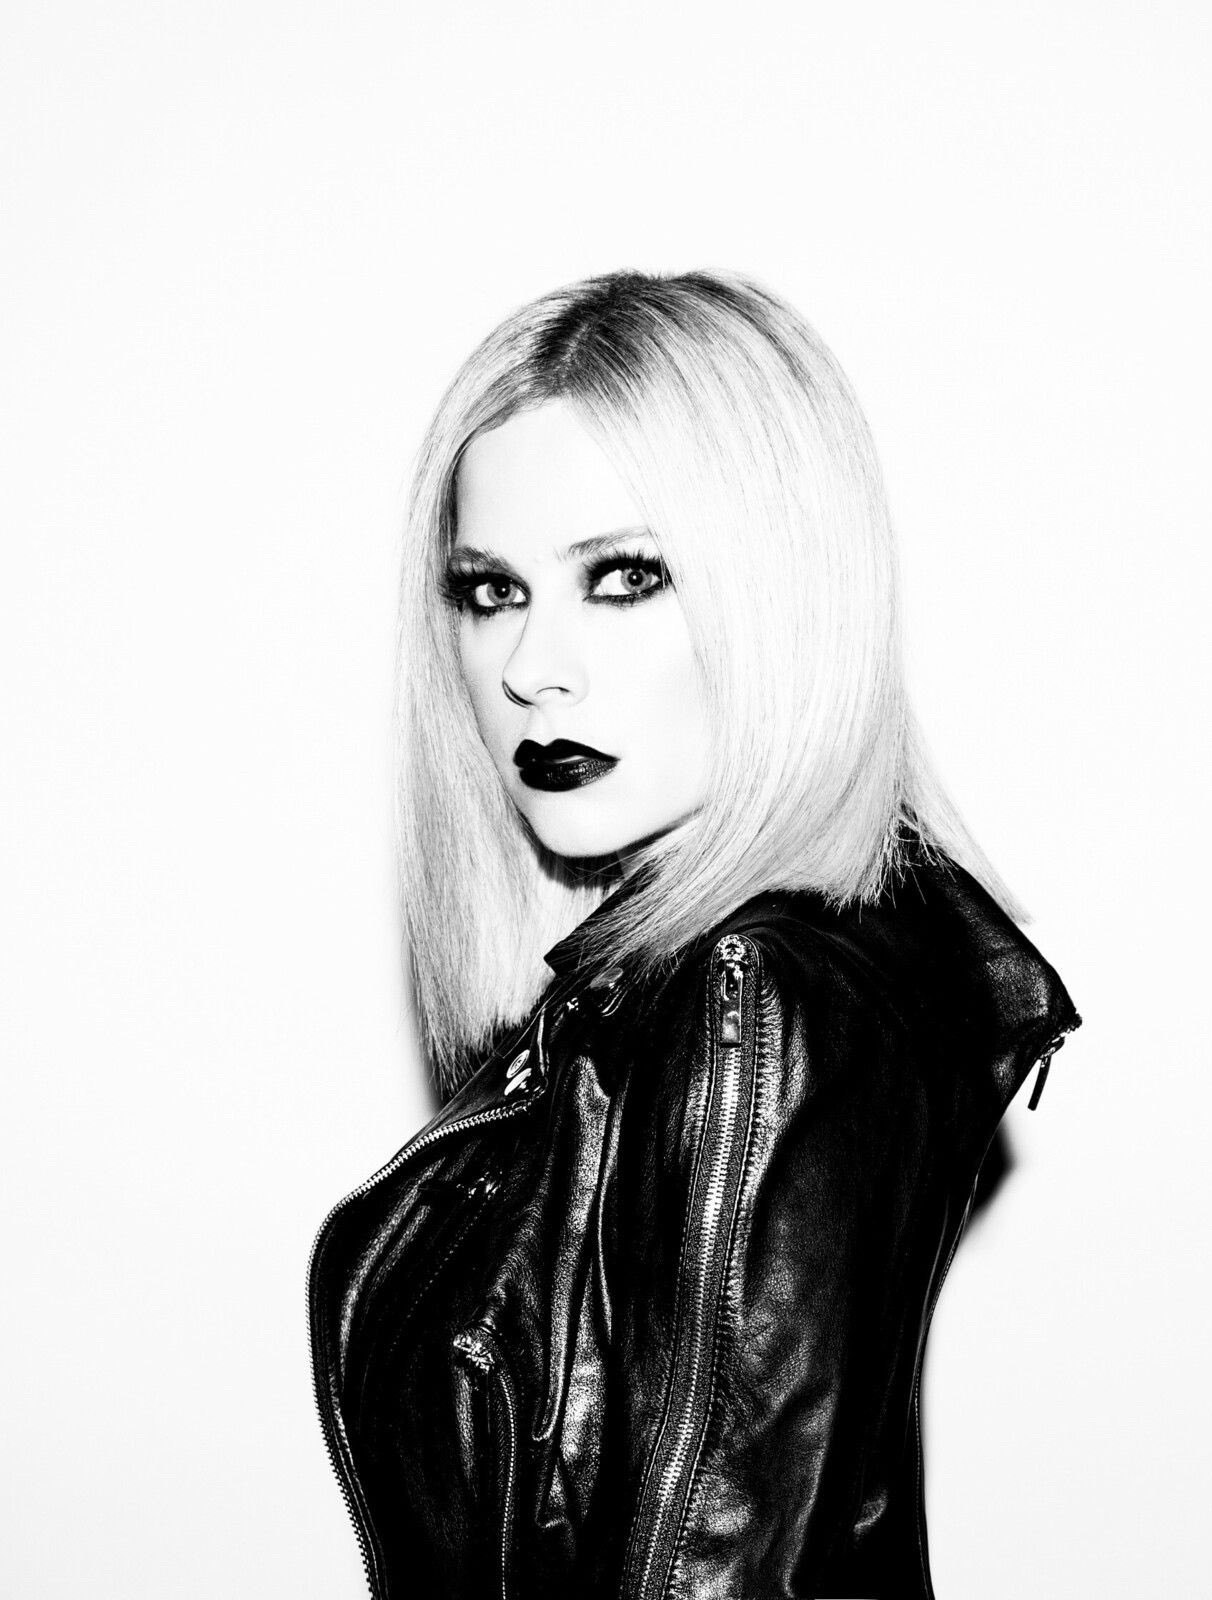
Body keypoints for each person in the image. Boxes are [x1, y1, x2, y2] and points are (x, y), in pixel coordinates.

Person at [308, 269, 1081, 1600]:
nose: (532, 668)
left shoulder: (748, 1001)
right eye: (491, 592)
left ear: (781, 596)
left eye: (624, 578)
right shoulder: (761, 984)